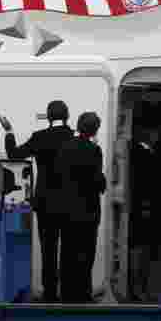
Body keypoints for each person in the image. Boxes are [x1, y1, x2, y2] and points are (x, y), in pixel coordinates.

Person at [0, 100, 74, 303]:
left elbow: (14, 154)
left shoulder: (40, 138)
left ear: (49, 117)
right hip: (70, 203)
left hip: (46, 202)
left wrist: (9, 131)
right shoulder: (74, 137)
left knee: (48, 248)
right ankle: (68, 293)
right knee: (68, 248)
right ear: (67, 116)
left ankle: (50, 293)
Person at [55, 112, 106, 303]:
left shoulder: (64, 147)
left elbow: (59, 176)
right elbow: (97, 181)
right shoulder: (94, 150)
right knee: (86, 253)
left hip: (66, 209)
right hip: (88, 210)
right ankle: (83, 294)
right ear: (95, 130)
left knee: (67, 252)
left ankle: (67, 294)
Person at [128, 126, 161, 302]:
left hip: (142, 207)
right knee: (140, 249)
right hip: (143, 208)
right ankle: (138, 289)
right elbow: (147, 185)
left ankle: (139, 288)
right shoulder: (142, 154)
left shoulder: (139, 152)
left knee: (142, 249)